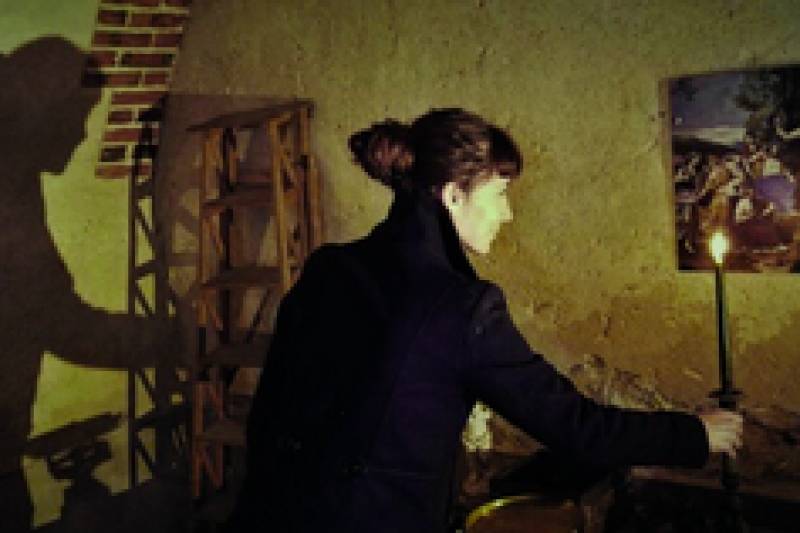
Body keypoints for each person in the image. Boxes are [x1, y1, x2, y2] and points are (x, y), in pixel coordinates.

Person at [226, 108, 743, 533]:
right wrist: (695, 434)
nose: (507, 214)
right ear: (453, 195)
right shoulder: (461, 308)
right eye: (499, 195)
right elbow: (576, 426)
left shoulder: (330, 267)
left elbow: (268, 417)